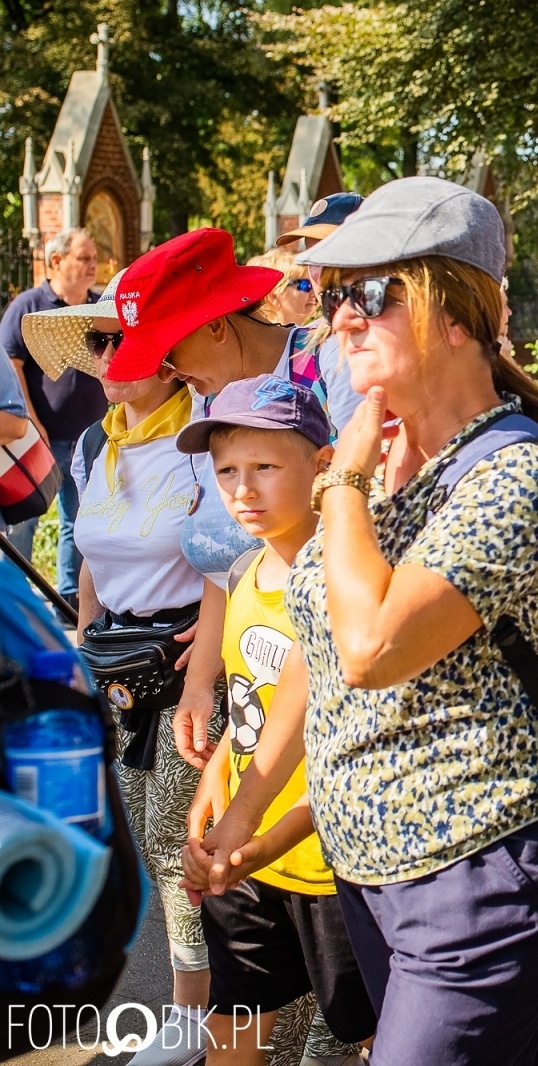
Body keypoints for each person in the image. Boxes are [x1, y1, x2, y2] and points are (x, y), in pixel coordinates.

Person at [262, 175, 538, 1065]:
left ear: (457, 316)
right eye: (335, 297)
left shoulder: (516, 475)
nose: (341, 318)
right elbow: (322, 644)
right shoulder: (391, 459)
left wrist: (340, 482)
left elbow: (371, 648)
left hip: (478, 861)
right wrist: (250, 797)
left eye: (371, 294)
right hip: (370, 865)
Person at [21, 275, 217, 1066]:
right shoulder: (98, 443)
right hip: (120, 666)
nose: (103, 357)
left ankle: (192, 1018)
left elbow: (226, 547)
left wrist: (209, 645)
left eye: (116, 341)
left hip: (189, 662)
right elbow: (90, 553)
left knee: (176, 841)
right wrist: (86, 638)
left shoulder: (204, 433)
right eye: (96, 342)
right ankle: (226, 994)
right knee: (147, 833)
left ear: (170, 358)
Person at [104, 228, 362, 777]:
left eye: (168, 350)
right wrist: (199, 682)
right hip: (247, 675)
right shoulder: (207, 402)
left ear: (217, 326)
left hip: (334, 667)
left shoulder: (334, 365)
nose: (166, 371)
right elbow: (224, 561)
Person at [175, 376, 376, 1066]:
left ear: (320, 466)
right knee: (232, 1022)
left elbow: (348, 745)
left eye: (264, 467)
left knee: (376, 1031)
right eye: (227, 470)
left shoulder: (348, 585)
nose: (242, 489)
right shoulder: (244, 574)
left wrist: (261, 840)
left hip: (332, 868)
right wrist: (214, 791)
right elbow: (253, 705)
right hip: (249, 859)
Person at [1, 227, 105, 613]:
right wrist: (30, 421)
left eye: (94, 257)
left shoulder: (99, 308)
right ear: (57, 261)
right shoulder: (29, 306)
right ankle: (15, 595)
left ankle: (68, 596)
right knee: (25, 518)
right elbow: (10, 366)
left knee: (78, 521)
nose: (93, 264)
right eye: (84, 257)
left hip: (90, 436)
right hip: (40, 437)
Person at [246, 248, 318, 326]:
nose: (314, 292)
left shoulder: (315, 334)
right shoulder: (261, 337)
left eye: (313, 283)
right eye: (305, 285)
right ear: (273, 295)